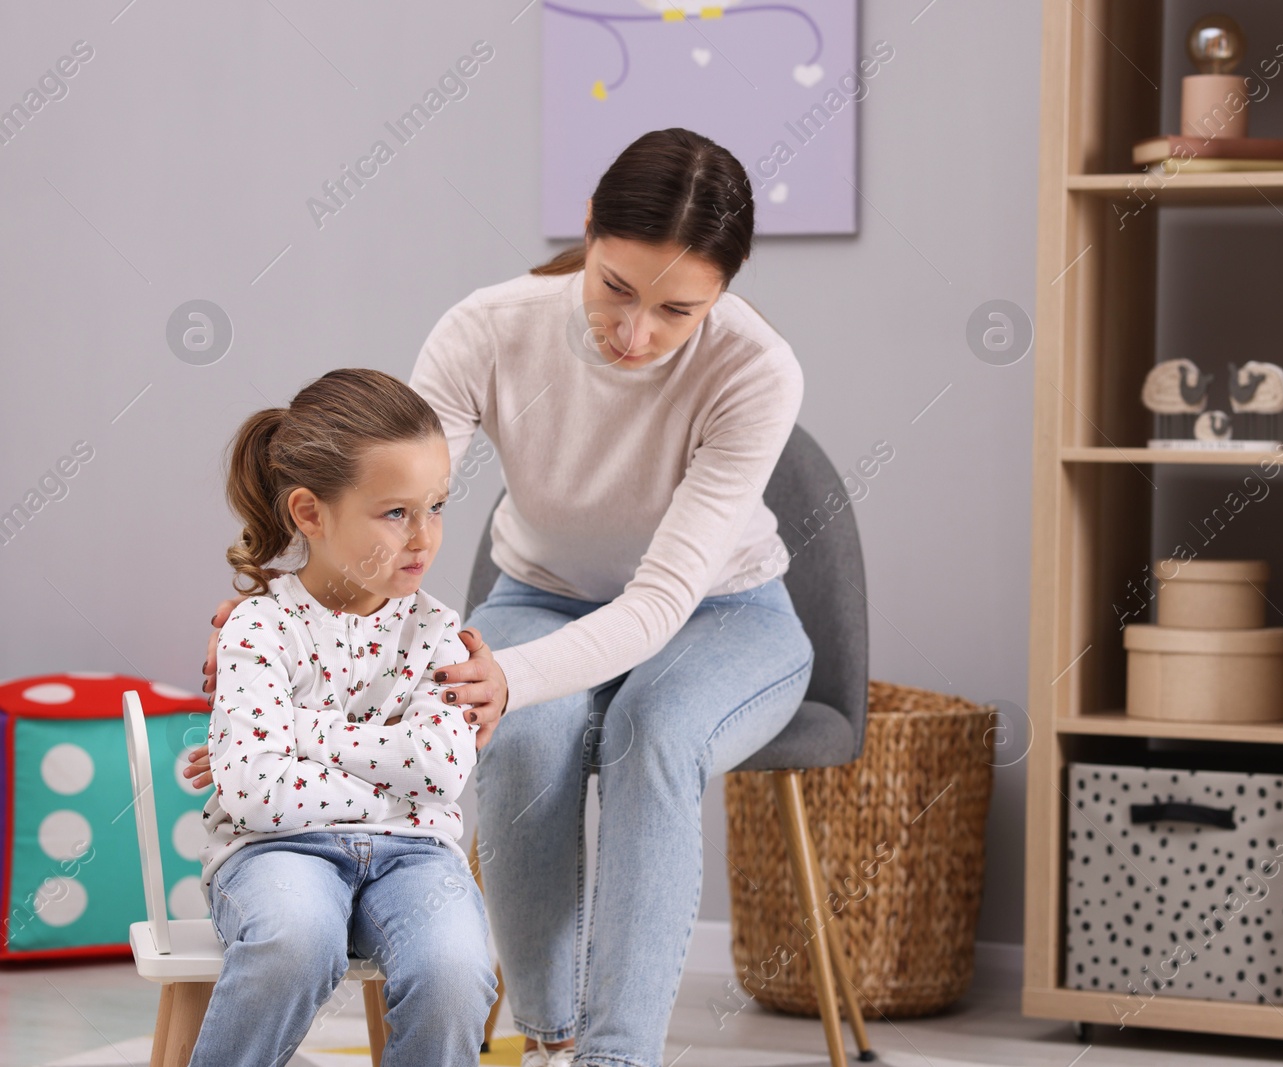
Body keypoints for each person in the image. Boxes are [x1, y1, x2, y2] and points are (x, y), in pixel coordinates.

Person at [191, 127, 815, 1067]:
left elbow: (657, 603)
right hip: (544, 590)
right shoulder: (491, 326)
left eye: (678, 311)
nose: (635, 334)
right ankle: (548, 1036)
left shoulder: (756, 370)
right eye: (615, 288)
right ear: (590, 234)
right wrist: (275, 606)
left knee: (656, 732)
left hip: (722, 615)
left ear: (722, 294)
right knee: (517, 730)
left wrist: (504, 674)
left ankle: (614, 1057)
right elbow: (383, 501)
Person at [189, 368, 503, 1067]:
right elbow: (257, 794)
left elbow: (443, 769)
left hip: (416, 856)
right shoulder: (257, 630)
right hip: (277, 852)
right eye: (396, 513)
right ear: (310, 513)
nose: (424, 537)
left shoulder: (440, 635)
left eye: (437, 506)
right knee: (294, 941)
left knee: (455, 967)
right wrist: (395, 786)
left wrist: (302, 734)